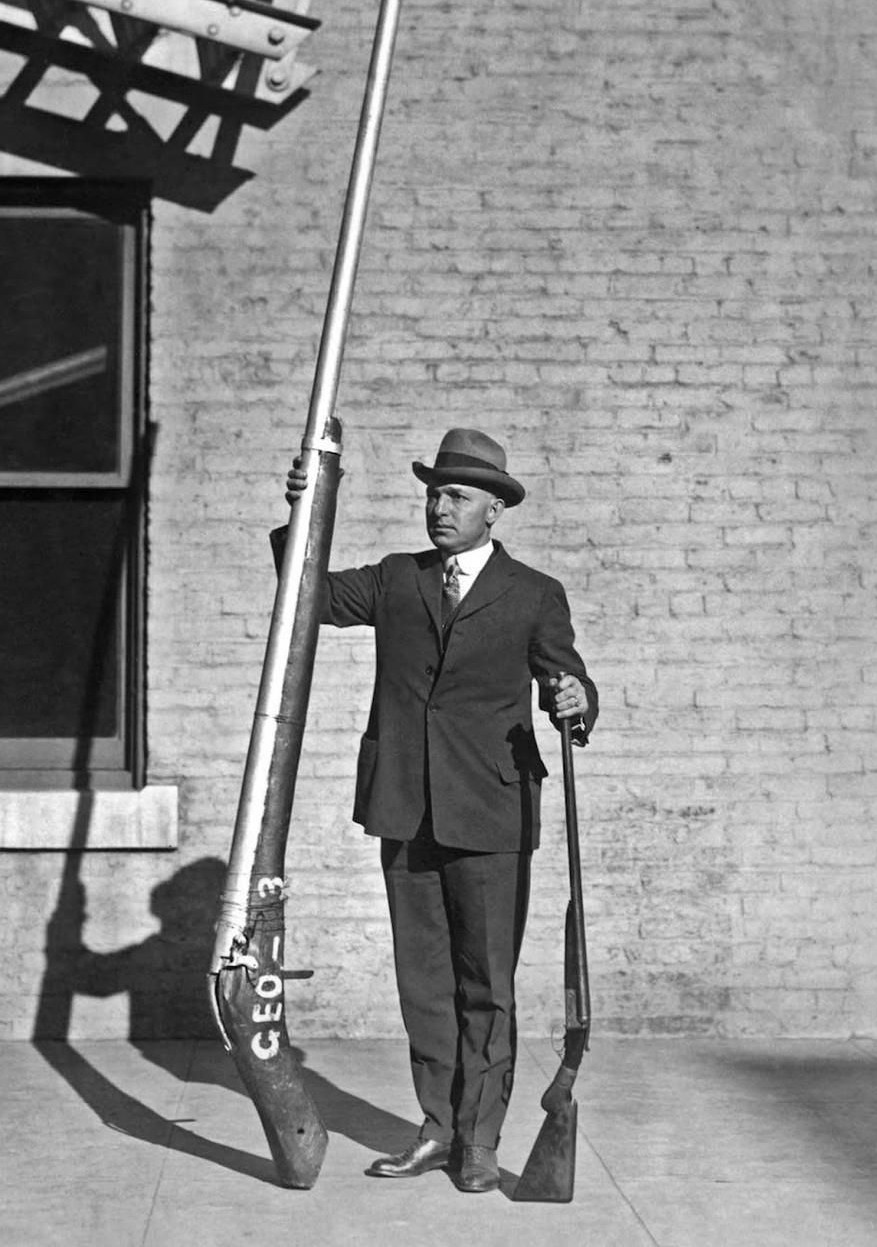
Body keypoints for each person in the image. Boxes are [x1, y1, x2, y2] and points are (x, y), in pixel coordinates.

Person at [286, 427, 597, 1193]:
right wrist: (303, 512)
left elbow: (569, 683)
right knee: (424, 985)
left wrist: (575, 700)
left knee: (485, 983)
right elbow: (308, 595)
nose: (439, 507)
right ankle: (438, 1128)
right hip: (405, 807)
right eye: (433, 493)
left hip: (492, 812)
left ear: (494, 509)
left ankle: (480, 1140)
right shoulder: (397, 578)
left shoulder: (534, 594)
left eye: (457, 495)